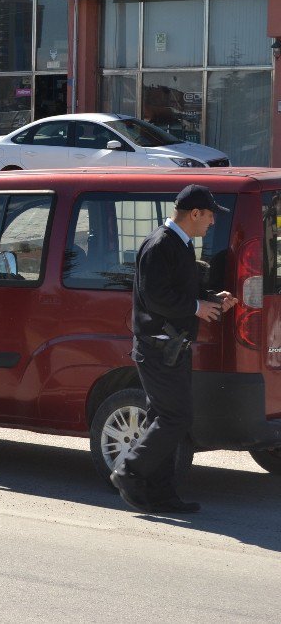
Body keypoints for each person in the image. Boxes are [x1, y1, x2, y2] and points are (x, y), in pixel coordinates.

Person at [111, 184, 237, 513]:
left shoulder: (179, 244)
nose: (212, 222)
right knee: (175, 418)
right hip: (158, 348)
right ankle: (129, 471)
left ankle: (161, 494)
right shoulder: (160, 245)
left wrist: (212, 300)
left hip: (172, 347)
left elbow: (181, 290)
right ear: (194, 214)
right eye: (209, 216)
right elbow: (156, 299)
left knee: (164, 419)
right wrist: (196, 307)